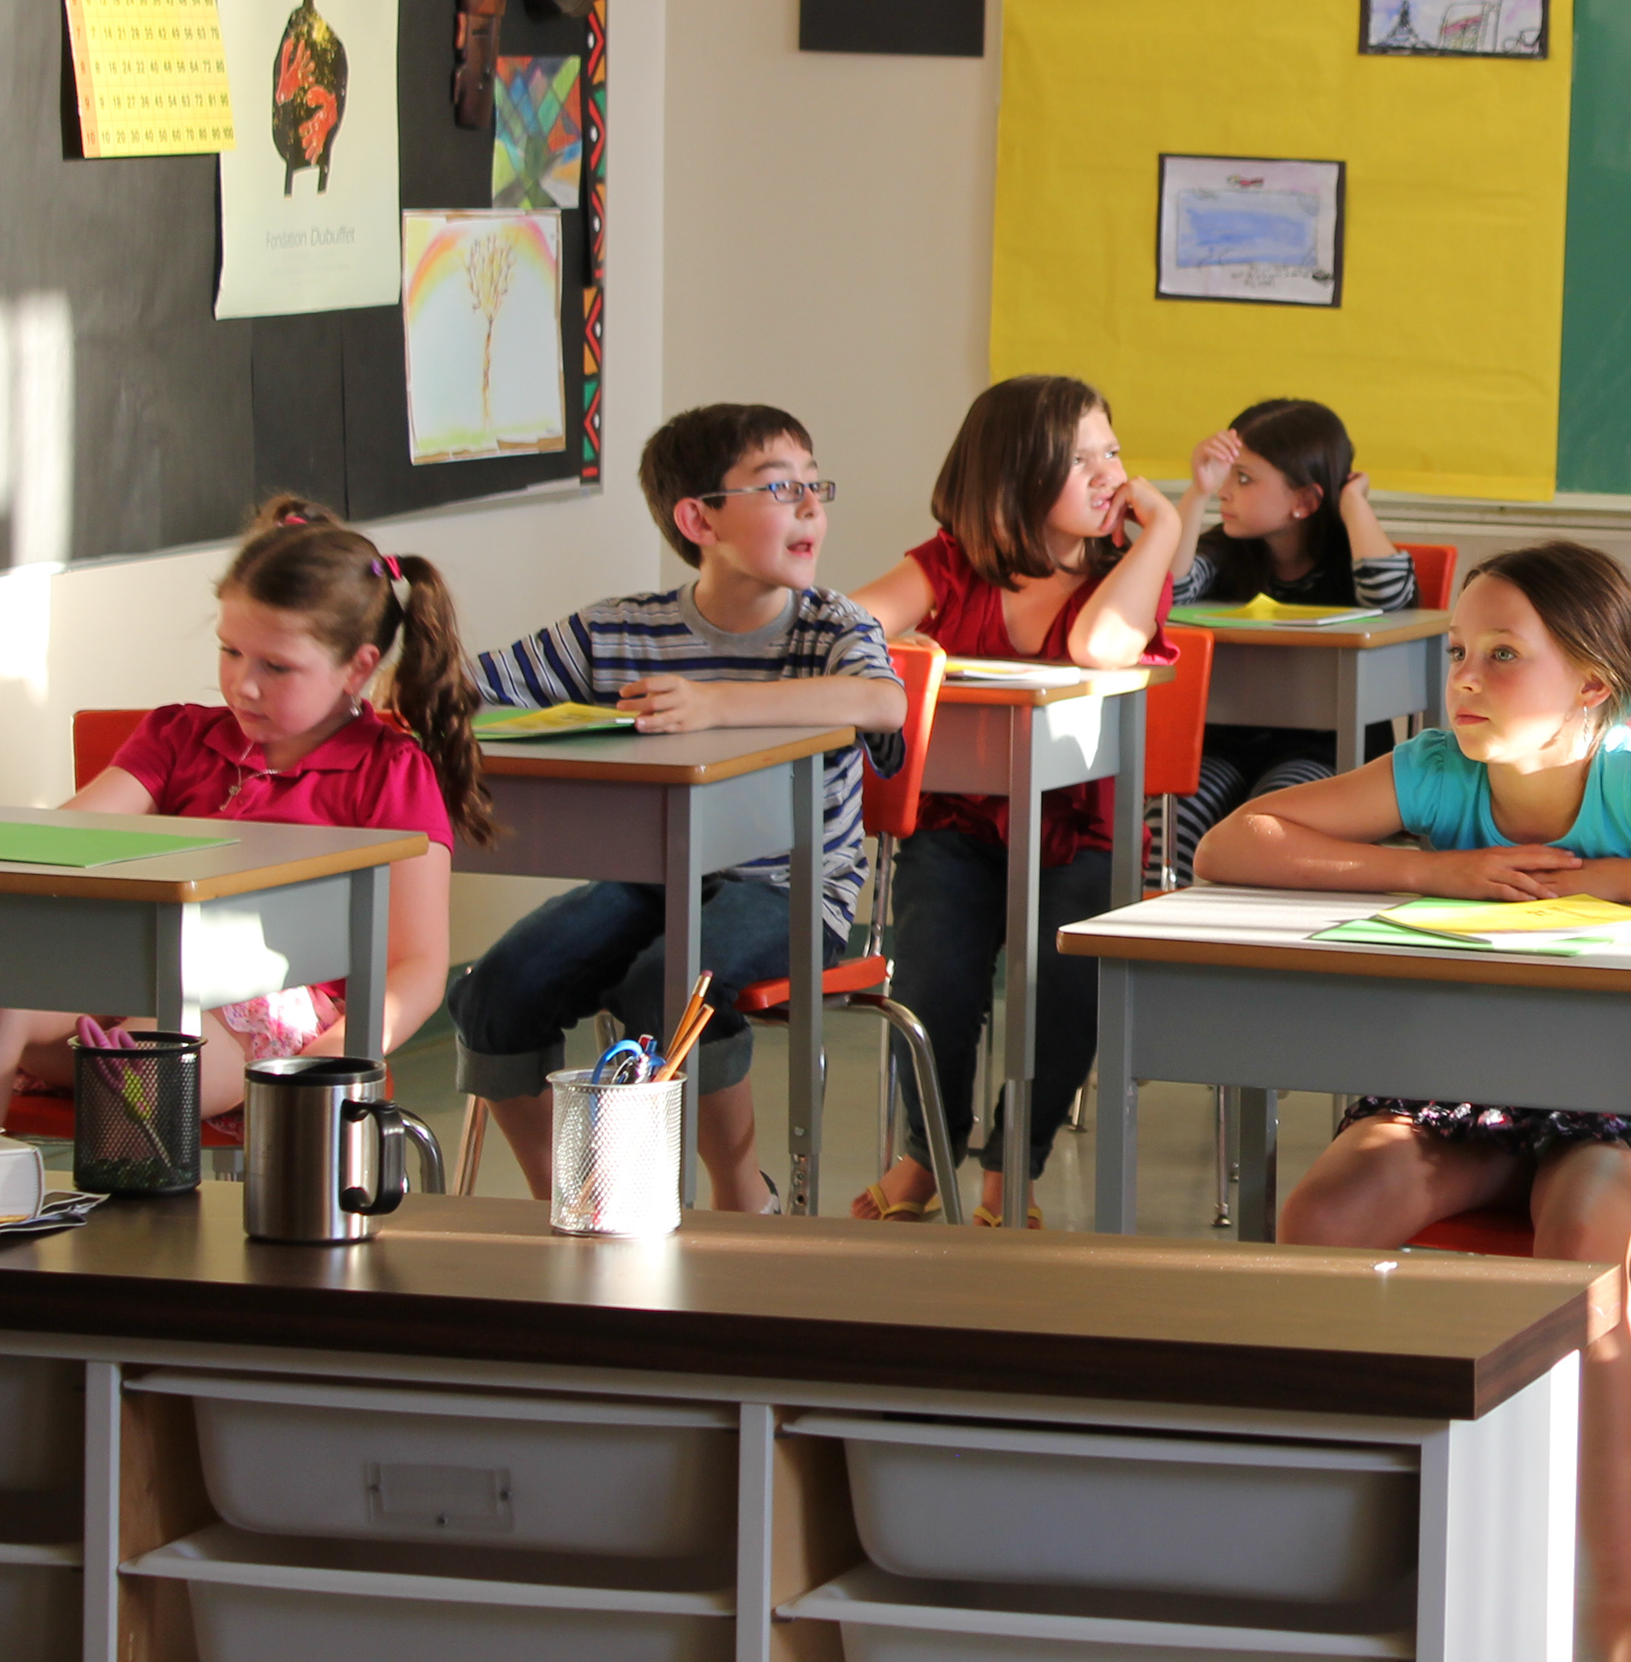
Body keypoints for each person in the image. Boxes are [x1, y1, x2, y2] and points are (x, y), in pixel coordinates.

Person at [1194, 541, 1631, 1662]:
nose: (1465, 676)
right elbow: (1233, 843)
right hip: (1463, 1095)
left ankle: (1619, 1622)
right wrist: (1437, 876)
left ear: (1592, 681)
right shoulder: (1437, 770)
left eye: (1503, 655)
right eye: (1459, 651)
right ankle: (1341, 1558)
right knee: (1324, 1212)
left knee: (1587, 1233)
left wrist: (1619, 881)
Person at [449, 403, 909, 1212]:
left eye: (816, 485)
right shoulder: (621, 629)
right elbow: (470, 689)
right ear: (699, 520)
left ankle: (742, 1196)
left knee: (668, 985)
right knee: (499, 990)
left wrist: (717, 704)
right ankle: (577, 1200)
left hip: (794, 889)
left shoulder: (833, 627)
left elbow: (883, 703)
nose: (811, 506)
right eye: (781, 487)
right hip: (653, 876)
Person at [0, 499, 487, 1127]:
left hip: (260, 1014)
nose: (243, 684)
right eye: (230, 651)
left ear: (357, 668)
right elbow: (67, 835)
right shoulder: (177, 736)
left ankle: (114, 1157)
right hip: (142, 972)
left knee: (148, 1063)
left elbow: (417, 965)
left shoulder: (390, 772)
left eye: (277, 666)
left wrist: (326, 1064)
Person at [847, 374, 1181, 1226]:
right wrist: (896, 647)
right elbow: (847, 625)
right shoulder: (950, 565)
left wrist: (1166, 529)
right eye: (1082, 459)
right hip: (959, 820)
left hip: (1085, 829)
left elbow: (1100, 645)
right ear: (1015, 474)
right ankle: (925, 1154)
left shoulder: (1129, 572)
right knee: (935, 978)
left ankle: (1011, 1167)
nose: (1111, 474)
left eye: (1114, 452)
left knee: (1069, 987)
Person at [1168, 396, 1418, 856]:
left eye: (1243, 478)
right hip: (1225, 744)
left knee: (1273, 822)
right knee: (1176, 817)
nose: (1225, 492)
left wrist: (1353, 503)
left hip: (1326, 751)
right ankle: (1169, 905)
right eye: (1226, 476)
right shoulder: (1225, 551)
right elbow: (1168, 588)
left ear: (1304, 501)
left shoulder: (1351, 558)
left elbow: (1389, 596)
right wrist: (1196, 493)